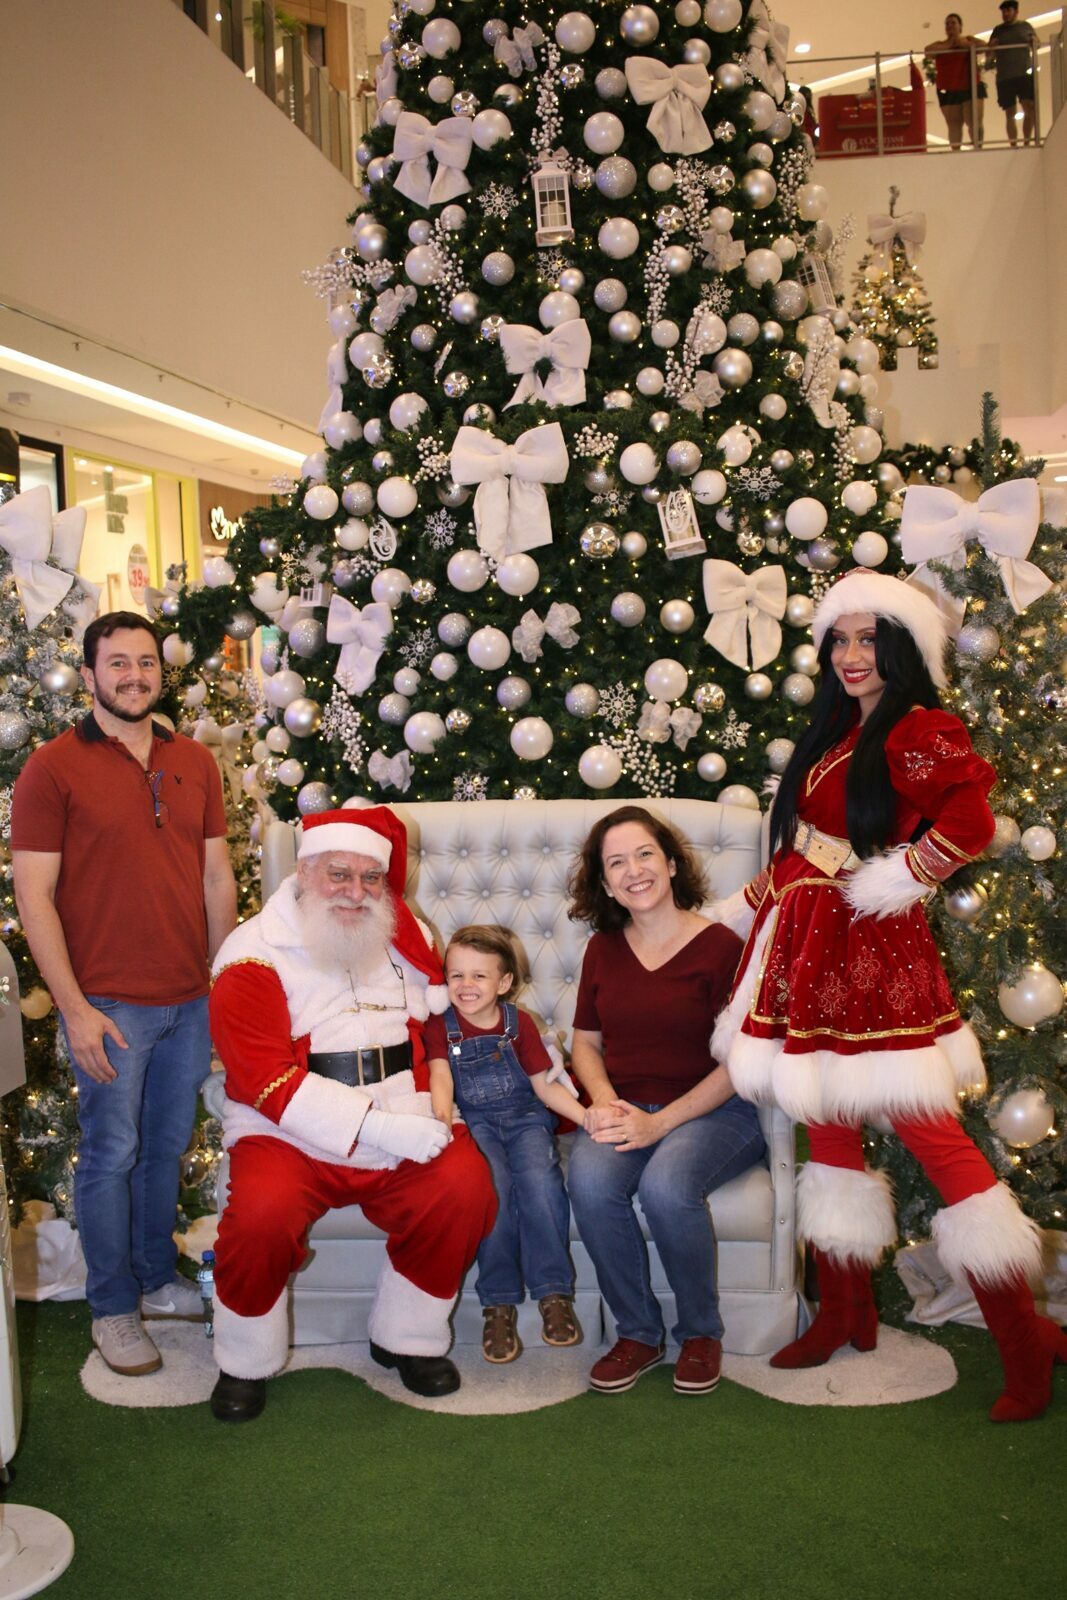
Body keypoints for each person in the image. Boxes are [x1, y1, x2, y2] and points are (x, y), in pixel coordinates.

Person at [711, 570, 1065, 1423]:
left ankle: (1023, 1341)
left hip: (872, 954)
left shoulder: (915, 729)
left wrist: (899, 877)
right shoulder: (837, 731)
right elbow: (802, 848)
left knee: (932, 1136)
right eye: (839, 639)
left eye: (868, 639)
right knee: (826, 1125)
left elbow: (968, 822)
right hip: (806, 952)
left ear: (899, 648)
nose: (850, 655)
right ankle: (845, 1314)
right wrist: (741, 910)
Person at [206, 804, 497, 1421]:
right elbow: (262, 1079)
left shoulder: (405, 937)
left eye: (370, 878)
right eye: (339, 874)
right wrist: (377, 1127)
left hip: (402, 1109)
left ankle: (406, 1337)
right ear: (304, 871)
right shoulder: (250, 953)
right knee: (260, 1217)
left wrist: (432, 1109)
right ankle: (244, 1360)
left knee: (464, 1187)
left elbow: (431, 1028)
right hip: (285, 1129)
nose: (355, 892)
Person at [11, 611, 237, 1378]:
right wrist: (73, 1008)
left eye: (145, 663)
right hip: (107, 1003)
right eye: (117, 663)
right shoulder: (51, 769)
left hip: (190, 998)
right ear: (89, 676)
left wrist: (224, 981)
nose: (133, 676)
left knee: (165, 1148)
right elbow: (34, 898)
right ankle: (112, 1307)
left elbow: (216, 875)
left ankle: (153, 1278)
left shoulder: (195, 761)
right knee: (111, 1153)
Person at [565, 807, 766, 1396]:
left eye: (645, 854)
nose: (634, 871)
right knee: (590, 1183)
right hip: (628, 1105)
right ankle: (638, 1334)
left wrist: (661, 1126)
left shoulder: (722, 946)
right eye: (616, 863)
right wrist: (605, 1101)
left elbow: (740, 1063)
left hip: (717, 1110)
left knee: (666, 1187)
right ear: (605, 884)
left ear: (673, 864)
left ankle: (700, 1333)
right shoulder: (602, 950)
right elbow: (585, 1043)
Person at [425, 924, 582, 1364]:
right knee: (491, 1188)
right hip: (475, 1123)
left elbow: (544, 1086)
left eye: (480, 975)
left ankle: (554, 1293)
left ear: (504, 982)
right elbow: (440, 1077)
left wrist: (587, 1118)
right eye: (456, 975)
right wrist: (441, 1121)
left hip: (526, 1118)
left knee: (540, 1182)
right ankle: (498, 1303)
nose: (467, 985)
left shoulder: (519, 1023)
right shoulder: (440, 1027)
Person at [985, 1, 1038, 145]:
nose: (1006, 14)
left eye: (1008, 10)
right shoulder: (998, 30)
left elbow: (1037, 43)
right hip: (1005, 76)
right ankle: (1013, 144)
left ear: (1016, 11)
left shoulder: (1025, 26)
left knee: (1029, 107)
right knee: (1010, 112)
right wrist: (991, 47)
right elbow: (989, 54)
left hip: (1023, 73)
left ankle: (1027, 141)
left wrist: (1034, 41)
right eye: (1004, 11)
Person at [927, 14, 985, 148]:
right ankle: (955, 152)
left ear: (960, 26)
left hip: (970, 86)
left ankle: (978, 149)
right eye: (947, 24)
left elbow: (984, 46)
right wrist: (949, 46)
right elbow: (928, 51)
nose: (950, 26)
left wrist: (965, 44)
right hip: (949, 89)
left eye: (953, 23)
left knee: (974, 121)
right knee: (953, 124)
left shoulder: (969, 40)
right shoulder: (940, 45)